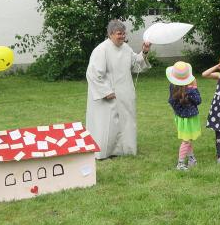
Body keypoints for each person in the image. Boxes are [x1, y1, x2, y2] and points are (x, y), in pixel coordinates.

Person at [85, 19, 151, 160]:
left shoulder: (126, 48)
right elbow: (93, 74)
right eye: (119, 34)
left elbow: (136, 64)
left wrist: (144, 51)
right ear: (110, 34)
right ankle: (105, 152)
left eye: (123, 34)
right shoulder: (101, 50)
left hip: (125, 92)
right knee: (108, 124)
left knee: (126, 121)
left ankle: (124, 149)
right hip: (108, 95)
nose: (122, 36)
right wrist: (106, 91)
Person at [167, 61, 201, 171]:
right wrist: (194, 87)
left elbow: (171, 101)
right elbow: (198, 100)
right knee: (186, 140)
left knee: (188, 139)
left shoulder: (173, 86)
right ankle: (180, 164)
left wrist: (178, 111)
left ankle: (191, 159)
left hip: (180, 118)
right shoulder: (190, 90)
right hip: (189, 119)